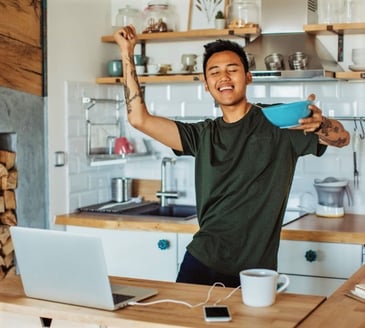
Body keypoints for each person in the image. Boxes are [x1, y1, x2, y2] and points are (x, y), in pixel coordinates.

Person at [114, 25, 350, 288]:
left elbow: (342, 138)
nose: (224, 77)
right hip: (202, 259)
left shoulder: (278, 122)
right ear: (206, 85)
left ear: (248, 77)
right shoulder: (202, 135)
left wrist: (321, 125)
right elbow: (138, 119)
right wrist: (127, 52)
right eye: (214, 72)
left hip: (256, 272)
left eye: (232, 69)